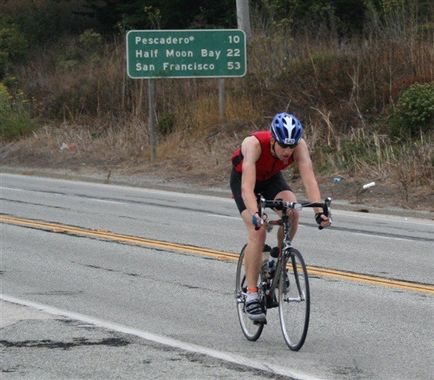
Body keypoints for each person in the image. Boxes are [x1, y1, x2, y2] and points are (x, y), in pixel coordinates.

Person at [230, 112, 331, 321]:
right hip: (246, 181)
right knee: (257, 232)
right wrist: (256, 215)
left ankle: (275, 260)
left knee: (292, 211)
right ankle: (250, 295)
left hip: (271, 179)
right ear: (273, 139)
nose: (287, 151)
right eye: (283, 146)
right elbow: (247, 189)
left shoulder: (298, 146)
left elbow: (309, 178)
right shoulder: (254, 144)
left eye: (291, 146)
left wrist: (319, 212)